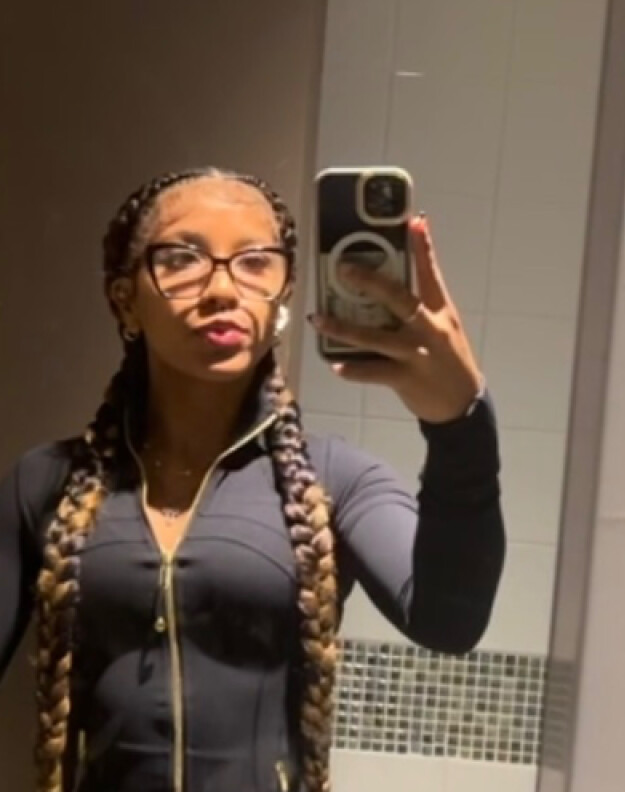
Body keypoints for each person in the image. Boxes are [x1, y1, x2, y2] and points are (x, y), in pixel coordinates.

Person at [0, 167, 505, 792]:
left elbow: (449, 621)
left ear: (282, 296)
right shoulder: (45, 483)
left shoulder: (339, 482)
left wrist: (461, 426)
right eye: (182, 259)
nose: (222, 289)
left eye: (255, 262)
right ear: (126, 299)